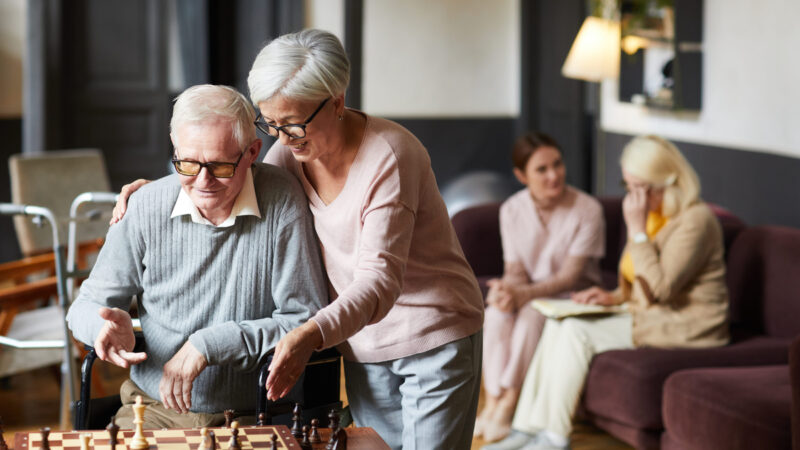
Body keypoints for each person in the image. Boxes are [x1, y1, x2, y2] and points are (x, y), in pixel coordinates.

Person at [111, 29, 484, 449]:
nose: (282, 137)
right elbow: (230, 176)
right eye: (269, 123)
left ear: (337, 101)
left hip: (432, 335)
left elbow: (379, 282)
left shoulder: (390, 156)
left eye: (293, 123)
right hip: (361, 340)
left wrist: (307, 334)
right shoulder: (289, 153)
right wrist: (155, 192)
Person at [67, 84, 327, 429]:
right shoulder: (145, 206)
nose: (203, 181)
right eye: (187, 163)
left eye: (220, 166)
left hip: (257, 413)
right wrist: (103, 328)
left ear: (252, 152)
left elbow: (305, 320)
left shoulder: (282, 200)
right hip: (153, 410)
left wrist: (209, 344)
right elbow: (82, 308)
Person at [483, 135, 730, 450]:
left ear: (663, 183)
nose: (632, 197)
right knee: (559, 324)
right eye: (628, 186)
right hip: (649, 313)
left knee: (575, 331)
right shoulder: (653, 215)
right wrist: (613, 297)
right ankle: (527, 428)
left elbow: (660, 290)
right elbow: (637, 282)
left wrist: (637, 230)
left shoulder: (696, 220)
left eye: (637, 187)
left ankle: (553, 438)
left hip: (688, 325)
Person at [477, 132, 604, 442]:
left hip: (573, 296)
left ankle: (508, 403)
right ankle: (492, 401)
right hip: (531, 293)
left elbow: (570, 277)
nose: (554, 175)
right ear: (522, 176)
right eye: (542, 169)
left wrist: (520, 295)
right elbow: (516, 271)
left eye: (557, 165)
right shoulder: (511, 210)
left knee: (532, 315)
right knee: (494, 314)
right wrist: (506, 292)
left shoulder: (587, 209)